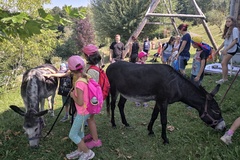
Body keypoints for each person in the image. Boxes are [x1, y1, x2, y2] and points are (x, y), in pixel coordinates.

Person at [66, 55, 95, 160]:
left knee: (72, 134)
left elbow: (80, 101)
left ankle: (87, 152)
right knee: (80, 132)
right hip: (87, 110)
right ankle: (79, 150)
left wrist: (73, 96)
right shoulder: (86, 77)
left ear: (71, 69)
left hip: (82, 112)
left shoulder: (78, 83)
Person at [82, 44, 103, 149]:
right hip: (93, 99)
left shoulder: (91, 71)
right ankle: (92, 134)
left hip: (91, 99)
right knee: (91, 119)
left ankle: (95, 141)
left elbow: (90, 87)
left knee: (90, 119)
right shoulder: (94, 66)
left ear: (87, 56)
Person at [215, 16, 239, 84]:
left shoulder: (235, 29)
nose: (227, 23)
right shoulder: (228, 29)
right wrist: (218, 49)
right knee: (224, 63)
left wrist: (226, 49)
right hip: (227, 49)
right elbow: (225, 42)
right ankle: (225, 78)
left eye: (229, 21)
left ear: (233, 22)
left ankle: (224, 79)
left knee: (223, 63)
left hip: (232, 49)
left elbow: (235, 41)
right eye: (226, 21)